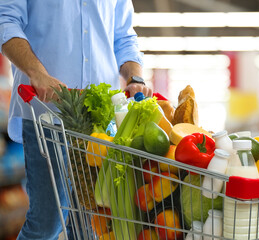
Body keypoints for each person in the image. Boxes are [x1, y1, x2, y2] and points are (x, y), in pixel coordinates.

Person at [0, 1, 152, 239]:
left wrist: (135, 77)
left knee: (90, 227)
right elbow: (6, 20)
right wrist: (37, 73)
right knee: (47, 223)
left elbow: (123, 36)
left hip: (100, 124)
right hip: (46, 116)